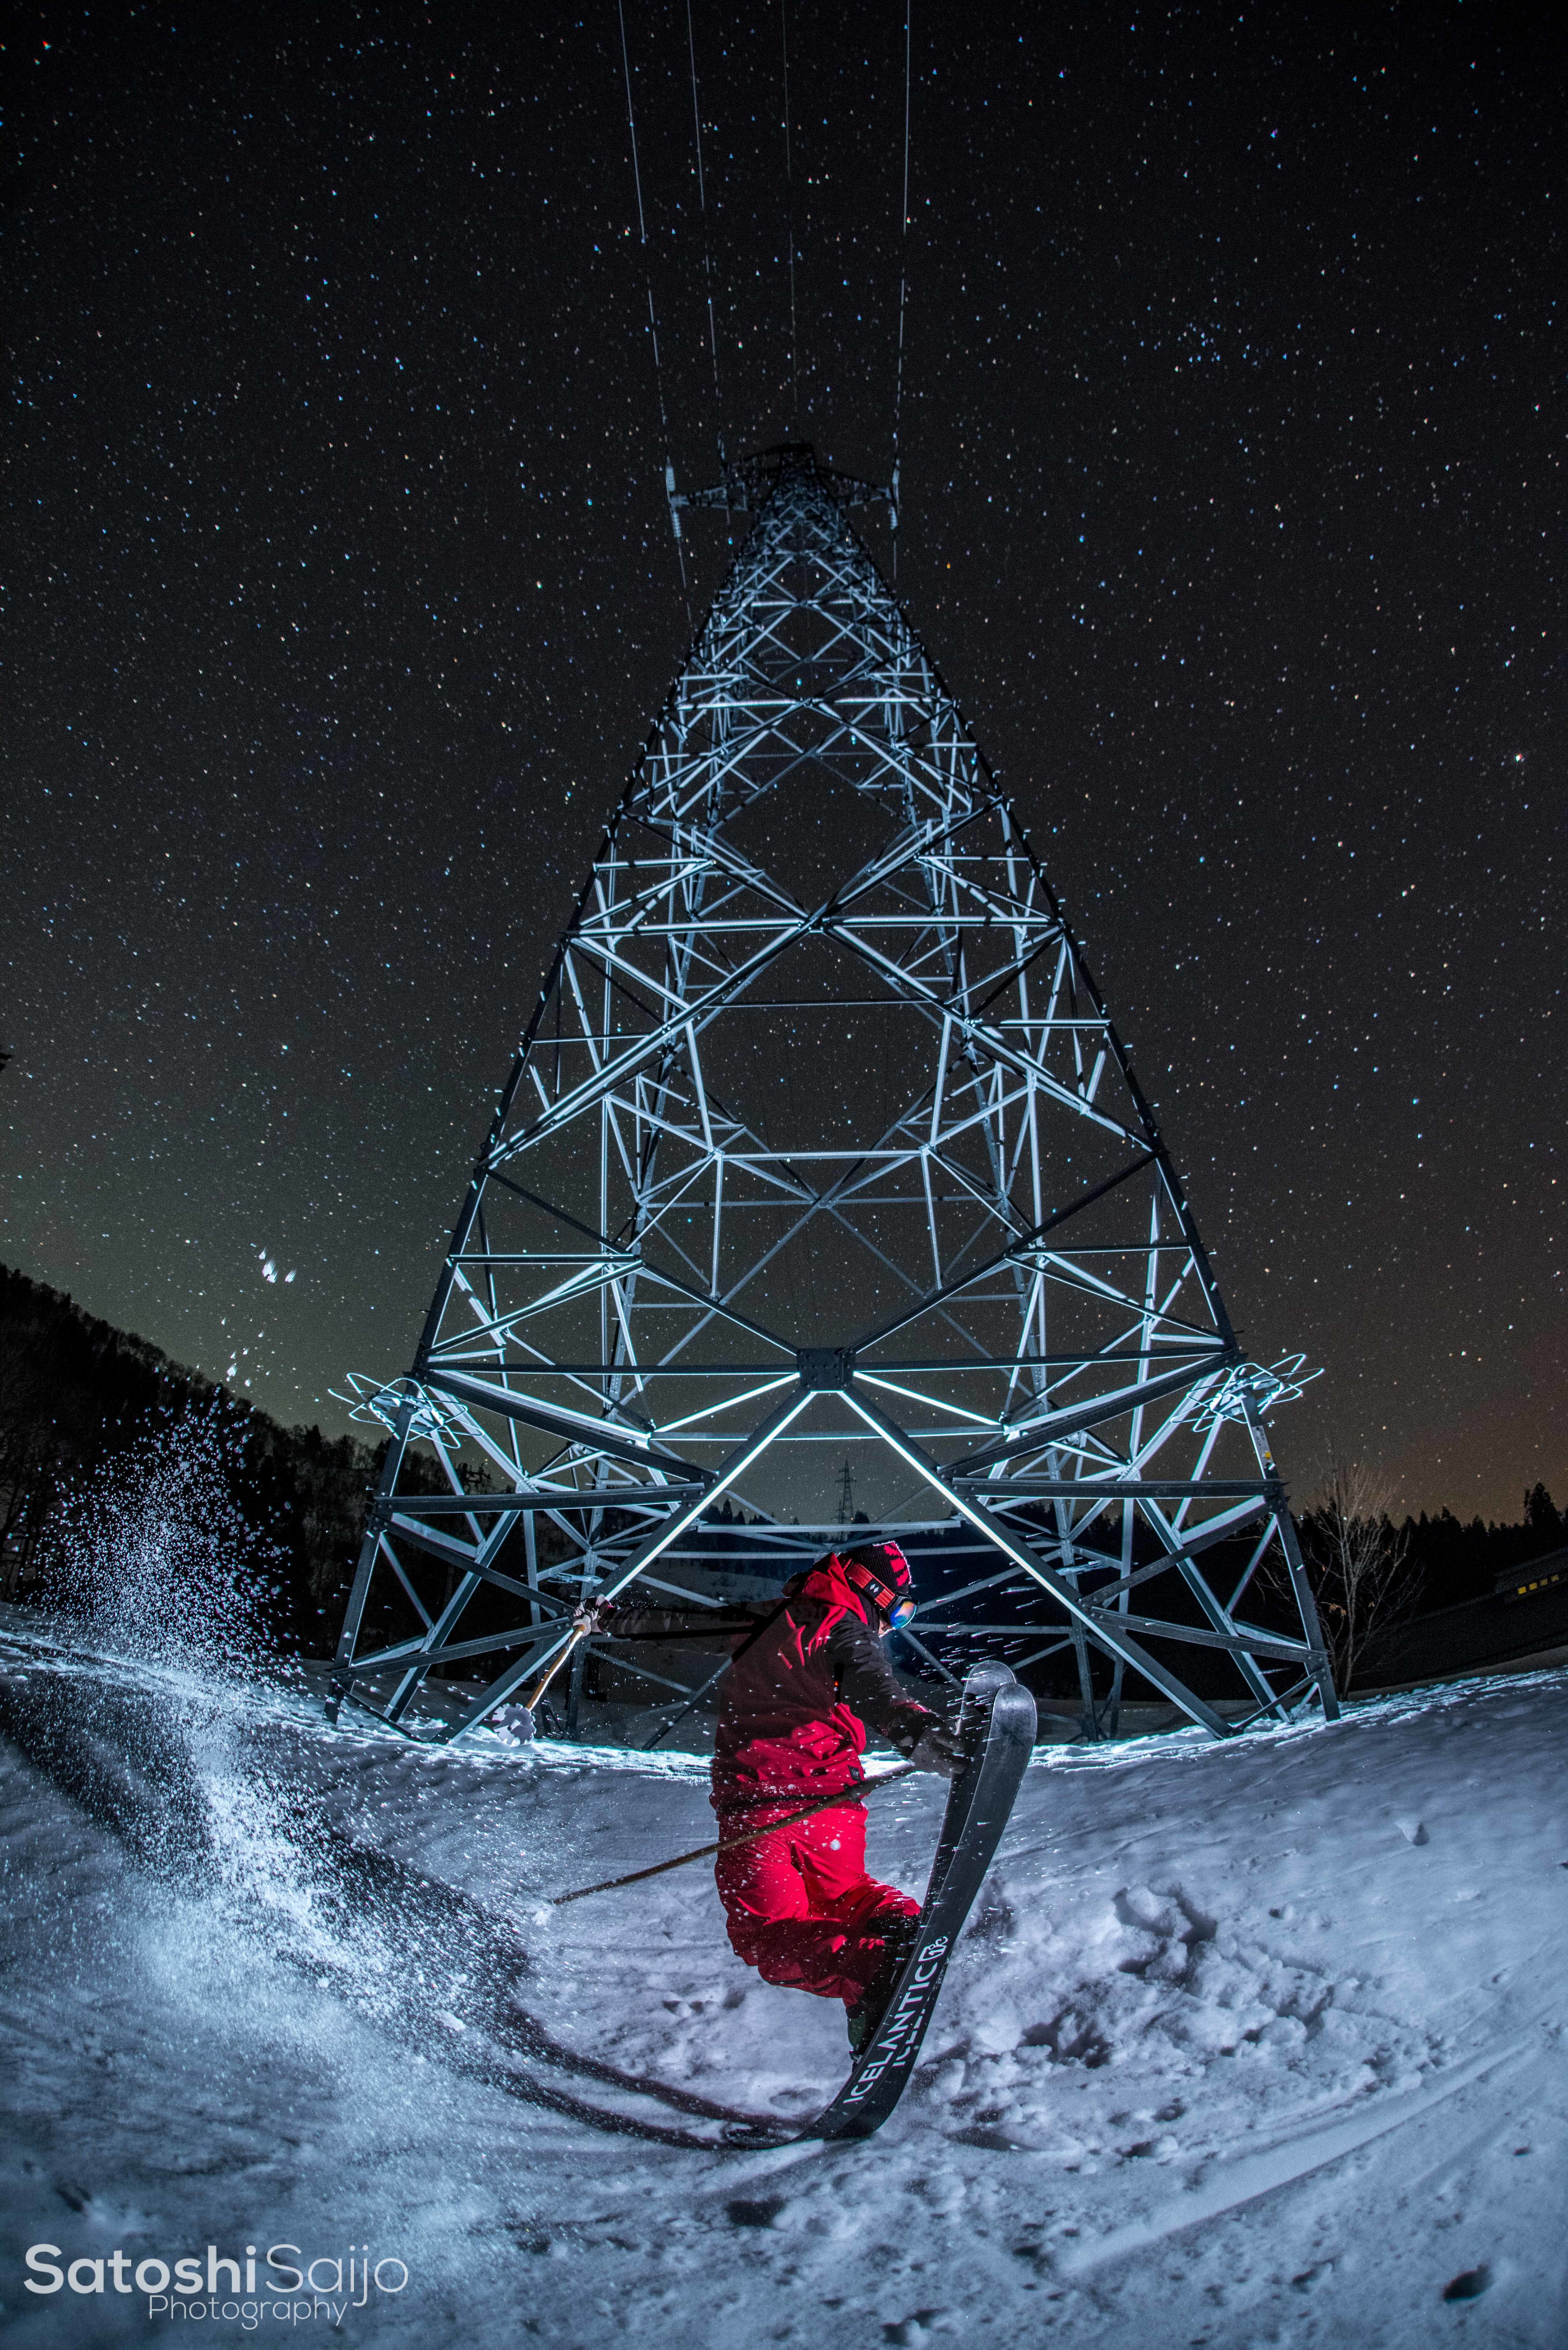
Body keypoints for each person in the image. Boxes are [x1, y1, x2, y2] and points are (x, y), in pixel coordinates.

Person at [589, 1540, 961, 2049]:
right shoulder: (847, 1627)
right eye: (898, 1613)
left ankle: (878, 1965)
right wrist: (913, 1729)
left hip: (761, 1809)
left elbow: (682, 1624)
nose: (891, 1627)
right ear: (871, 1592)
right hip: (831, 1811)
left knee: (767, 1937)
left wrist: (609, 1619)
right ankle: (895, 1934)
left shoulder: (767, 1619)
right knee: (845, 1896)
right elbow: (872, 1685)